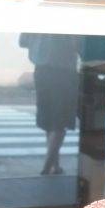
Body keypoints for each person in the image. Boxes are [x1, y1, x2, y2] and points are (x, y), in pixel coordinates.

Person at [19, 33, 79, 175]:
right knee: (59, 122)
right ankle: (47, 168)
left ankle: (55, 165)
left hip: (41, 71)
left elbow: (22, 41)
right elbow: (77, 44)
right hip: (64, 72)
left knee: (49, 121)